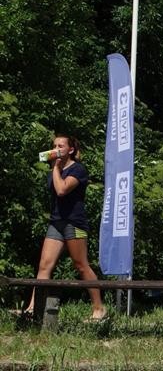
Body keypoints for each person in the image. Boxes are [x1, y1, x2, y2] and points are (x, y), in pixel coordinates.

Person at [24, 134, 106, 321]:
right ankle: (33, 308)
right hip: (56, 222)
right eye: (54, 146)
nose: (56, 149)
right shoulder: (54, 171)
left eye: (60, 146)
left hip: (74, 223)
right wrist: (55, 168)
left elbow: (62, 190)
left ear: (70, 150)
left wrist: (56, 168)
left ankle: (99, 309)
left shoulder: (78, 169)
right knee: (44, 266)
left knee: (81, 265)